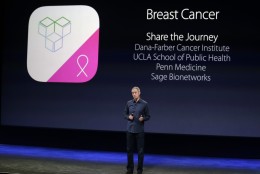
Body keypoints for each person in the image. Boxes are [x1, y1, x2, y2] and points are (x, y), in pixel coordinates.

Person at [124, 86, 151, 174]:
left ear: (139, 93)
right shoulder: (128, 103)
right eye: (132, 93)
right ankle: (130, 169)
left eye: (135, 92)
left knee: (140, 151)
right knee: (129, 150)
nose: (133, 94)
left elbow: (148, 116)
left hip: (139, 130)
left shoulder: (144, 104)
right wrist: (129, 117)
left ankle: (139, 170)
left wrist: (143, 119)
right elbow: (125, 114)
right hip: (130, 130)